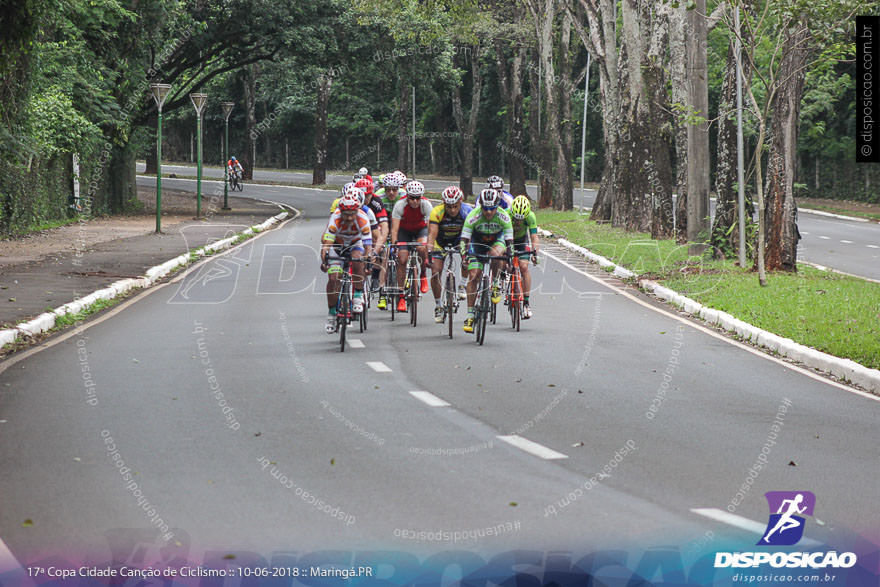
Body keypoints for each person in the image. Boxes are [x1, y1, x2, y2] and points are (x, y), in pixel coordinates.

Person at [459, 189, 514, 332]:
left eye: (492, 209)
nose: (489, 212)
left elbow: (510, 242)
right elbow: (464, 240)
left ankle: (495, 284)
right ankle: (470, 315)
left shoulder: (504, 216)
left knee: (496, 255)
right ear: (481, 206)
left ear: (498, 206)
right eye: (485, 208)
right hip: (477, 244)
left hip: (497, 240)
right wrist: (464, 257)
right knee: (473, 276)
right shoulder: (473, 216)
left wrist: (510, 258)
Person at [320, 187, 373, 333]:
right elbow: (327, 242)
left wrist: (368, 259)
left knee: (358, 259)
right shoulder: (335, 218)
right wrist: (324, 257)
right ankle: (331, 313)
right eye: (346, 214)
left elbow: (368, 244)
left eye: (352, 214)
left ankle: (357, 294)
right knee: (333, 279)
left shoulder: (363, 218)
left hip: (356, 244)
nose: (349, 218)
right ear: (341, 211)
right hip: (338, 245)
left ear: (357, 210)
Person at [426, 186, 473, 322]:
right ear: (443, 203)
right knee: (436, 272)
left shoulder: (467, 212)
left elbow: (469, 235)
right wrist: (429, 253)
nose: (452, 210)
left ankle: (462, 285)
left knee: (467, 258)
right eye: (449, 207)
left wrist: (467, 253)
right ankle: (438, 306)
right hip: (440, 242)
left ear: (461, 202)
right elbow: (432, 235)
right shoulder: (437, 212)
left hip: (460, 240)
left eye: (455, 206)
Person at [389, 180, 433, 312]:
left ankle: (423, 273)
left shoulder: (426, 204)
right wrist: (394, 245)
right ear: (407, 196)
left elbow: (431, 228)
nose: (414, 201)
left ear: (421, 197)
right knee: (402, 259)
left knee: (421, 247)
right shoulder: (400, 205)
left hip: (420, 229)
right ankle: (401, 295)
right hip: (404, 231)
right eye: (412, 198)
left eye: (417, 198)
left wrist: (430, 246)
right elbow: (394, 229)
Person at [508, 195, 539, 319]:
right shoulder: (506, 215)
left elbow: (534, 236)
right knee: (505, 263)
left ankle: (526, 303)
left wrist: (535, 253)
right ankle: (503, 278)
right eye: (516, 218)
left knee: (524, 267)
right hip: (507, 239)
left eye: (521, 219)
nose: (518, 222)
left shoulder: (531, 216)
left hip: (521, 241)